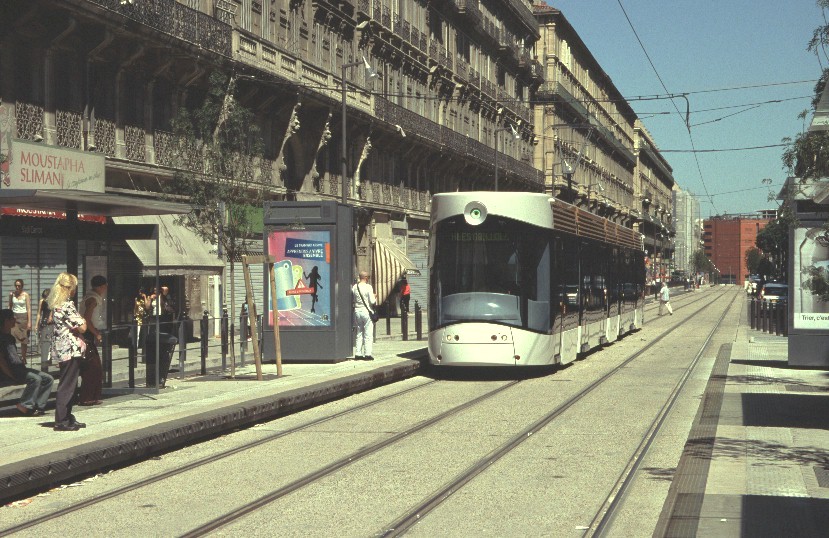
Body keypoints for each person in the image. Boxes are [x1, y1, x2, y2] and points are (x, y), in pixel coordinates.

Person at [48, 272, 88, 432]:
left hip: (62, 349)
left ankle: (67, 417)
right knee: (68, 385)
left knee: (69, 383)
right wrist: (82, 320)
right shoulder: (66, 305)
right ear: (69, 288)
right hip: (70, 350)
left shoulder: (56, 305)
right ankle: (62, 420)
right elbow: (83, 327)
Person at [0, 309, 54, 416]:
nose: (15, 320)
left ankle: (38, 406)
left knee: (48, 379)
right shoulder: (1, 338)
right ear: (6, 320)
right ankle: (25, 405)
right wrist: (12, 377)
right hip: (10, 372)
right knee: (36, 379)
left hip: (19, 369)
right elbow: (1, 362)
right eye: (12, 318)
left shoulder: (10, 336)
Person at [78, 275, 106, 406]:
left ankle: (93, 396)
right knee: (92, 367)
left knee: (95, 367)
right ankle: (87, 397)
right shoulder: (93, 299)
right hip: (88, 333)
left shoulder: (91, 297)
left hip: (90, 332)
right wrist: (96, 333)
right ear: (101, 287)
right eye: (104, 286)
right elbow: (86, 319)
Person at [351, 270, 376, 361]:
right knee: (368, 333)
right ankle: (367, 354)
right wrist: (375, 296)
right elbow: (372, 301)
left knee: (359, 332)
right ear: (365, 278)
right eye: (368, 277)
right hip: (366, 311)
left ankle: (358, 353)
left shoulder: (355, 287)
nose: (368, 279)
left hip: (357, 311)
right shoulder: (368, 287)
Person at [8, 279, 31, 364]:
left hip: (23, 317)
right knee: (12, 337)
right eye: (16, 285)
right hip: (14, 317)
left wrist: (29, 322)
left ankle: (23, 357)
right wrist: (8, 317)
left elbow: (28, 308)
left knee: (23, 338)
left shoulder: (26, 295)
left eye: (19, 286)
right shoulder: (12, 294)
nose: (17, 287)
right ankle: (14, 357)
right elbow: (10, 306)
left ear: (22, 286)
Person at [35, 289, 52, 369]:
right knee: (45, 342)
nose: (46, 299)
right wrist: (36, 324)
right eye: (44, 298)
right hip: (44, 323)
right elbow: (39, 313)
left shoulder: (53, 302)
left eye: (46, 298)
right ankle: (45, 361)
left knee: (52, 343)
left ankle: (50, 359)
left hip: (52, 323)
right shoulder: (42, 302)